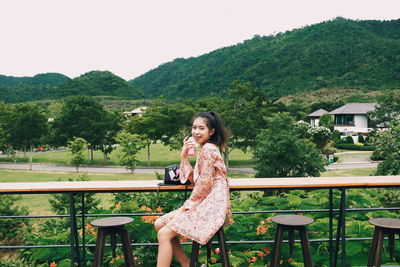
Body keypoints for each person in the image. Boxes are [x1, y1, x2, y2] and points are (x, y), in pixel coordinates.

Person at [154, 111, 232, 267]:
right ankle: (188, 264)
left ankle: (186, 264)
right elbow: (192, 179)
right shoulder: (204, 148)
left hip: (211, 207)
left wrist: (189, 204)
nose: (196, 132)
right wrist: (184, 156)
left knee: (163, 234)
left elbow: (204, 182)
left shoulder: (208, 149)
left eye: (201, 128)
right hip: (205, 202)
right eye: (194, 127)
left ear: (211, 132)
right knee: (158, 224)